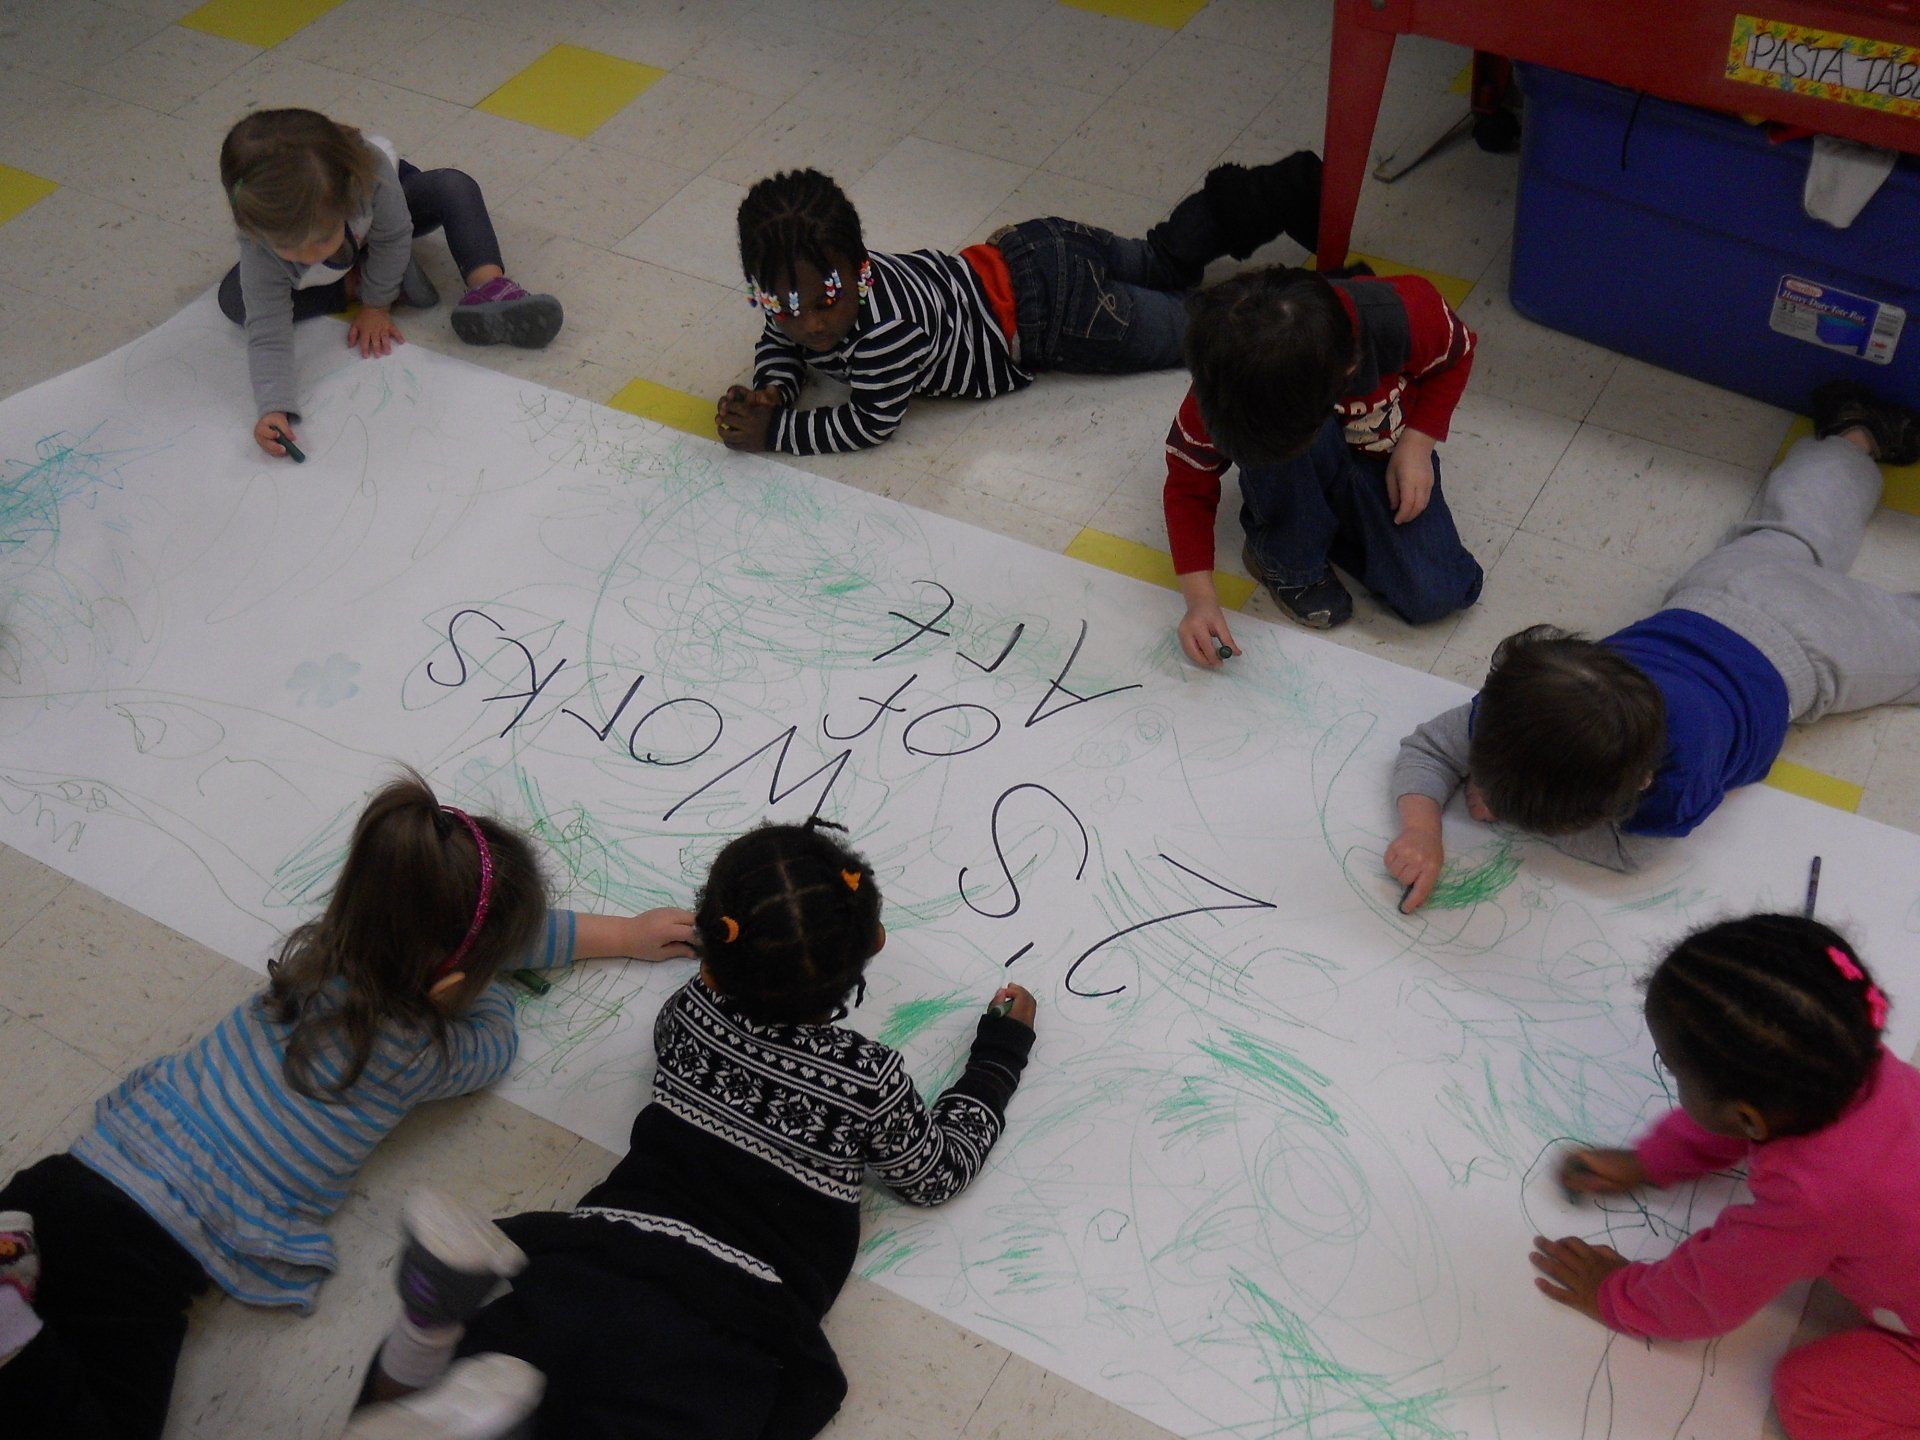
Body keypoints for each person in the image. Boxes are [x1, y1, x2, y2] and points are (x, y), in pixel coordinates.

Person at [0, 771, 694, 1440]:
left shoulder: (327, 943)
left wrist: (620, 935)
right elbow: (496, 1042)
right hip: (154, 1248)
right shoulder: (427, 1052)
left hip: (75, 1178)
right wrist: (487, 987)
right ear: (457, 979)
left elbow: (457, 926)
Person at [346, 819, 1038, 1440]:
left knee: (509, 1362)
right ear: (874, 946)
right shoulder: (866, 1080)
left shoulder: (689, 1014)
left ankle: (425, 1345)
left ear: (710, 950)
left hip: (600, 1256)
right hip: (735, 1314)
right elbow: (936, 1173)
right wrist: (1000, 1053)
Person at [1387, 381, 1920, 909]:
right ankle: (1851, 440)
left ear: (1641, 782)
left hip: (1809, 647)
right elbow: (1430, 748)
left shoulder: (1678, 780)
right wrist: (1421, 830)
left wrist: (1515, 814)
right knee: (1798, 530)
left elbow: (1631, 855)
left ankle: (1855, 438)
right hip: (1724, 590)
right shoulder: (1521, 711)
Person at [1531, 913, 1920, 1440]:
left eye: (1672, 1070)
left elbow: (1708, 1294)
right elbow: (1743, 1121)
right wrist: (1650, 1163)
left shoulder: (1812, 1198)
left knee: (1811, 1393)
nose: (1672, 1078)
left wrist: (1614, 1293)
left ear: (1746, 1114)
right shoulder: (1851, 1063)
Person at [714, 157, 1321, 455]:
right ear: (762, 290)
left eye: (826, 301)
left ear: (861, 266)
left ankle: (1319, 306)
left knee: (1199, 328)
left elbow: (871, 423)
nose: (810, 323)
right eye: (783, 304)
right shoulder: (803, 295)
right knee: (1160, 256)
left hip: (1053, 319)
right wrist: (776, 386)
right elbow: (780, 340)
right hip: (1031, 246)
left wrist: (776, 431)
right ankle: (1269, 193)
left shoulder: (885, 334)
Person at [217, 109, 564, 460]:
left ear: (347, 199)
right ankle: (358, 281)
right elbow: (267, 326)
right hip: (354, 240)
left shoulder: (369, 173)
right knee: (235, 301)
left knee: (454, 185)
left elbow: (394, 234)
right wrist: (273, 407)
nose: (308, 257)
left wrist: (376, 305)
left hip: (394, 212)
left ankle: (489, 287)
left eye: (320, 239)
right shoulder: (260, 239)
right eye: (290, 248)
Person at [1166, 264, 1483, 644]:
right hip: (1297, 463)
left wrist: (1418, 443)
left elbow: (1457, 354)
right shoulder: (1230, 382)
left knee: (1436, 593)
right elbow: (1187, 483)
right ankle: (1286, 552)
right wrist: (1199, 601)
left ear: (1349, 370)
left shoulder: (1405, 314)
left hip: (1384, 450)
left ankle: (1327, 520)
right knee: (1286, 465)